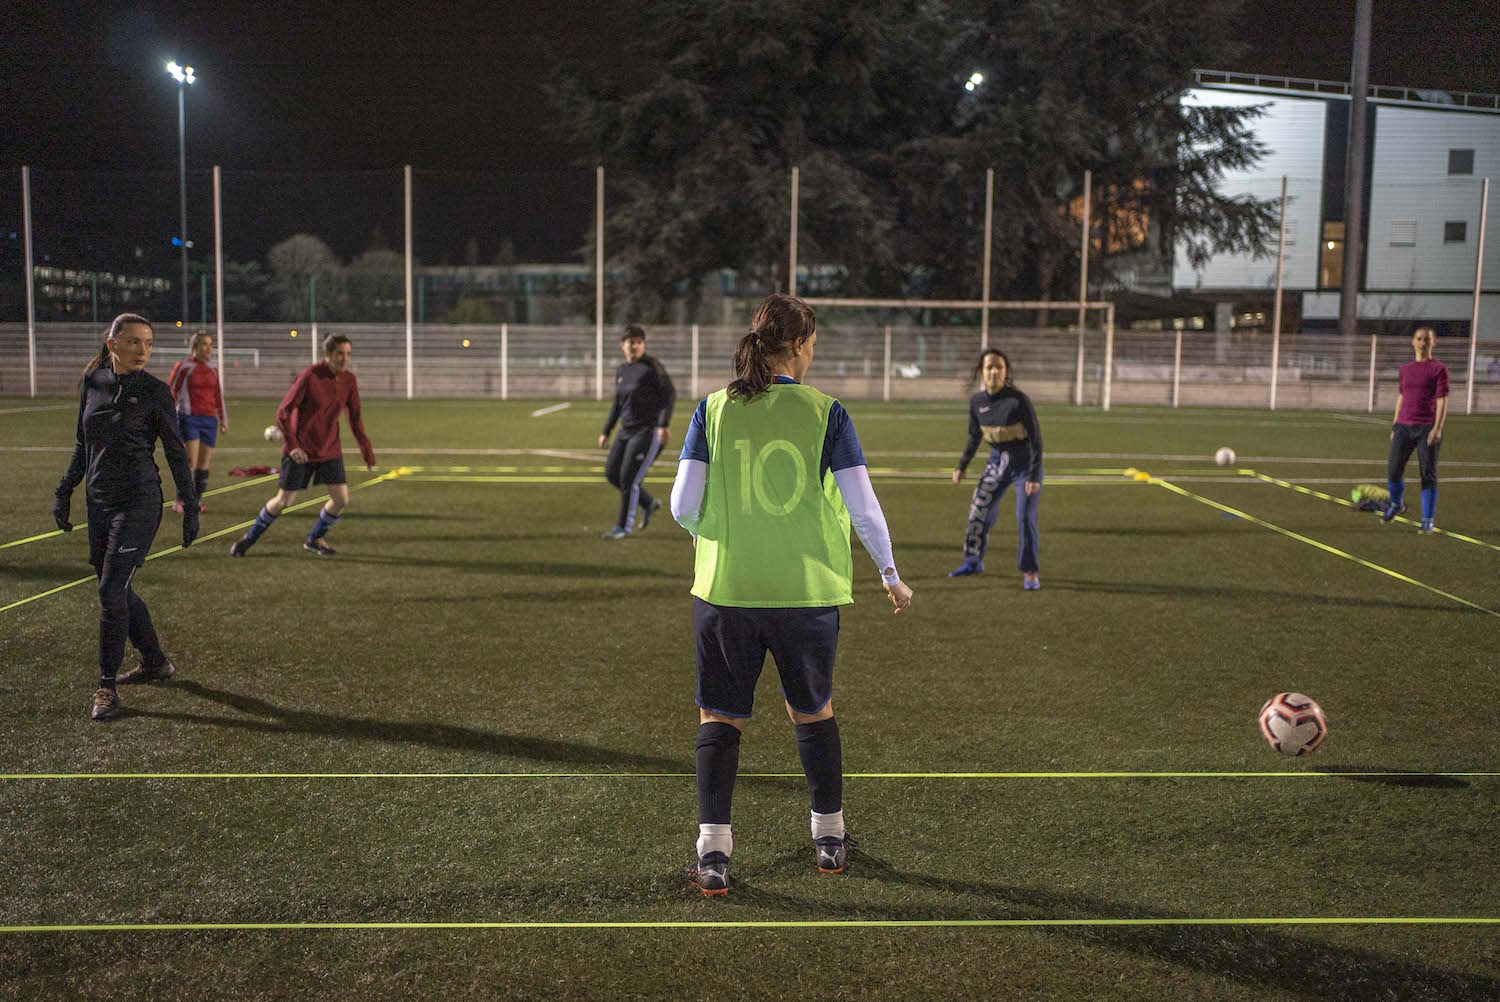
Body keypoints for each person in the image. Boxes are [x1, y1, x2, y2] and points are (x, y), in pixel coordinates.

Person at [670, 293, 913, 897]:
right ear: (801, 345)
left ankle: (714, 854)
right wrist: (888, 572)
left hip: (726, 592)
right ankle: (829, 839)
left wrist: (718, 538)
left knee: (720, 718)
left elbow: (681, 504)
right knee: (812, 712)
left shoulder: (713, 409)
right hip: (805, 594)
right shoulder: (826, 412)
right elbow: (863, 506)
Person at [52, 313, 199, 721]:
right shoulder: (93, 382)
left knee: (110, 590)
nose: (143, 350)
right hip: (98, 503)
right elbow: (84, 445)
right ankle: (154, 662)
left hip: (139, 501)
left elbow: (174, 452)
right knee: (113, 587)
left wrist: (189, 506)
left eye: (148, 343)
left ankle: (106, 686)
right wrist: (65, 490)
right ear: (112, 342)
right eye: (134, 342)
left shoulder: (155, 392)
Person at [230, 334, 376, 557]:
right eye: (340, 354)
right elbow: (283, 412)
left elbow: (355, 419)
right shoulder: (310, 376)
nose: (345, 359)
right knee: (283, 501)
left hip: (329, 450)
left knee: (341, 499)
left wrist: (367, 451)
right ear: (327, 354)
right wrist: (293, 445)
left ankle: (315, 538)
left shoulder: (349, 380)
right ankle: (249, 538)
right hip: (301, 452)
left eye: (348, 354)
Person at [949, 348, 1043, 589]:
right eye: (989, 367)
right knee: (979, 508)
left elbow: (1036, 439)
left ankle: (1030, 572)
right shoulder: (977, 403)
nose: (994, 372)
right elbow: (974, 438)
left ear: (1005, 371)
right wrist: (962, 467)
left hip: (1025, 465)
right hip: (997, 462)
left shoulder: (1018, 400)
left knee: (1024, 517)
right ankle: (973, 560)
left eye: (999, 367)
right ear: (981, 372)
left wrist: (1033, 475)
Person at [598, 324, 676, 539]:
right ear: (622, 345)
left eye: (639, 342)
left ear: (643, 345)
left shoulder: (651, 368)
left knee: (628, 478)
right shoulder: (622, 371)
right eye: (631, 342)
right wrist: (606, 431)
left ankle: (623, 526)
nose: (635, 346)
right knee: (612, 473)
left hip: (646, 432)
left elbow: (669, 396)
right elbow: (617, 404)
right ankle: (648, 502)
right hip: (625, 432)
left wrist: (663, 424)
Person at [1383, 326, 1449, 532]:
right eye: (1419, 339)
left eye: (1427, 340)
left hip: (1426, 428)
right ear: (1413, 342)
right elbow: (1401, 397)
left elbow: (1442, 400)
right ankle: (1396, 504)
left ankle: (1427, 519)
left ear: (1433, 343)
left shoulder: (1439, 369)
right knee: (1394, 471)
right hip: (1403, 427)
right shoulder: (1405, 369)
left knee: (1427, 474)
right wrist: (1395, 425)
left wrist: (1437, 428)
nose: (1423, 343)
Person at [166, 331, 228, 514]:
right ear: (194, 347)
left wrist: (223, 418)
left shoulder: (213, 368)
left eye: (210, 344)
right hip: (188, 418)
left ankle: (197, 501)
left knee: (203, 465)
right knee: (190, 462)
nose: (209, 348)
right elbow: (172, 392)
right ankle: (180, 500)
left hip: (209, 420)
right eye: (204, 344)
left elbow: (218, 394)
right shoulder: (184, 366)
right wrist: (168, 416)